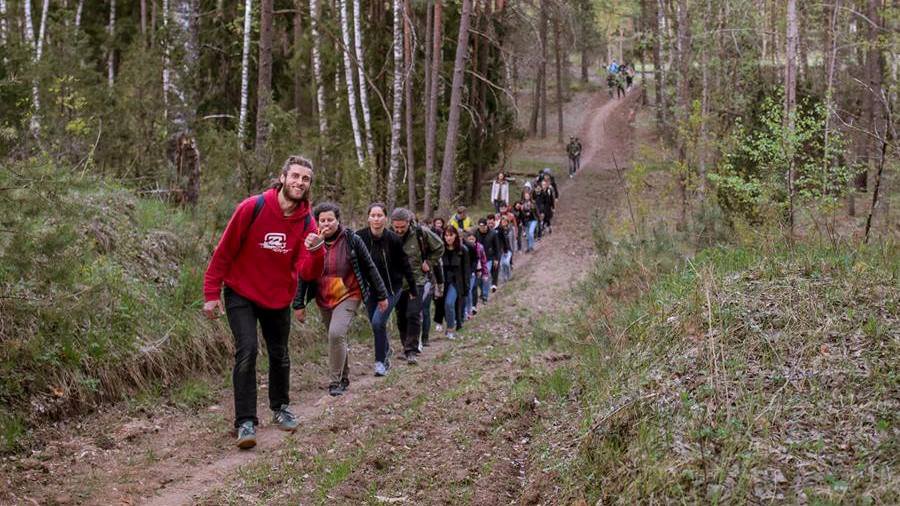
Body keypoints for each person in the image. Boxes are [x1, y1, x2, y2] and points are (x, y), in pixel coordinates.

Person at [203, 155, 323, 449]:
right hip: (240, 291)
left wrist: (317, 250)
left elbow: (308, 271)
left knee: (280, 354)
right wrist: (210, 293)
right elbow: (225, 250)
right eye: (295, 176)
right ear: (283, 177)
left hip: (278, 297)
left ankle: (280, 408)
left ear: (309, 185)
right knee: (247, 351)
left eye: (305, 179)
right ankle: (245, 422)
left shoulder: (307, 222)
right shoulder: (252, 207)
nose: (299, 182)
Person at [295, 202, 388, 397]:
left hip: (349, 294)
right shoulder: (311, 242)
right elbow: (303, 275)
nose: (326, 224)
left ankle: (335, 382)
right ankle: (344, 377)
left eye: (331, 220)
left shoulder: (352, 240)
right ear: (316, 222)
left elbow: (370, 267)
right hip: (324, 297)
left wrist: (381, 295)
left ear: (338, 221)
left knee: (336, 334)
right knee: (337, 336)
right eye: (322, 220)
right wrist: (299, 303)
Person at [356, 203, 417, 377]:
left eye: (380, 215)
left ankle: (380, 362)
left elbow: (405, 265)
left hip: (391, 288)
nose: (376, 219)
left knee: (377, 323)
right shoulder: (359, 237)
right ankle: (387, 351)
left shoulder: (393, 239)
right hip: (369, 290)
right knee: (376, 325)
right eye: (373, 216)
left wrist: (412, 288)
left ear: (385, 218)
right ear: (368, 218)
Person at [390, 208, 444, 362]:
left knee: (413, 314)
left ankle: (411, 350)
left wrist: (429, 262)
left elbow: (439, 246)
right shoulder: (388, 235)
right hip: (398, 283)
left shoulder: (421, 233)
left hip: (418, 280)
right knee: (401, 317)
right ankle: (405, 345)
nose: (399, 230)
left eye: (402, 227)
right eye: (396, 227)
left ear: (409, 222)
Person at [436, 225, 470, 340]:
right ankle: (445, 324)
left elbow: (466, 271)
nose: (448, 238)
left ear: (456, 235)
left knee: (449, 303)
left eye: (451, 235)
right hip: (442, 282)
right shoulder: (440, 250)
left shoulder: (462, 250)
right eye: (446, 235)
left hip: (456, 282)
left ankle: (450, 329)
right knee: (442, 305)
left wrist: (466, 288)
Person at [475, 216, 504, 293]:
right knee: (480, 276)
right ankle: (483, 291)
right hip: (479, 258)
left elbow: (497, 247)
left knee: (486, 273)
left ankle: (486, 292)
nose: (481, 228)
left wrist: (496, 259)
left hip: (490, 257)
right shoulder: (476, 233)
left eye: (483, 226)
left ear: (486, 225)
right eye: (480, 226)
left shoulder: (493, 233)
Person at [464, 231, 488, 316]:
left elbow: (483, 260)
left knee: (474, 287)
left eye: (473, 239)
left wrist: (484, 272)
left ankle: (473, 306)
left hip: (477, 270)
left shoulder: (480, 247)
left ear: (475, 239)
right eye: (469, 239)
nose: (471, 240)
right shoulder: (465, 247)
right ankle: (469, 308)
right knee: (470, 289)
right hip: (467, 271)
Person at [497, 216, 513, 283]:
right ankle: (504, 278)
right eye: (502, 221)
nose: (503, 223)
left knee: (506, 263)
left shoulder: (510, 230)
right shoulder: (498, 230)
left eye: (505, 221)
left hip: (508, 249)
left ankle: (509, 276)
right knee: (501, 265)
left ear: (507, 222)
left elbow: (512, 241)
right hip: (501, 250)